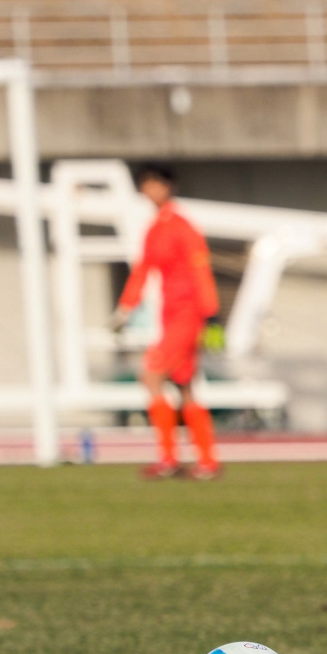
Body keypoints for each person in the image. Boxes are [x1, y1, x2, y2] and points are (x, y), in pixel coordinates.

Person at [112, 163, 224, 480]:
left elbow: (200, 269)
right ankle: (207, 462)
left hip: (188, 314)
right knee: (185, 386)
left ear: (168, 187)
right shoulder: (154, 228)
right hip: (170, 314)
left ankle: (168, 458)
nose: (150, 190)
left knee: (151, 375)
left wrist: (211, 313)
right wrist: (125, 308)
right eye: (145, 184)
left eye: (155, 184)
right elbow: (143, 269)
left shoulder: (182, 227)